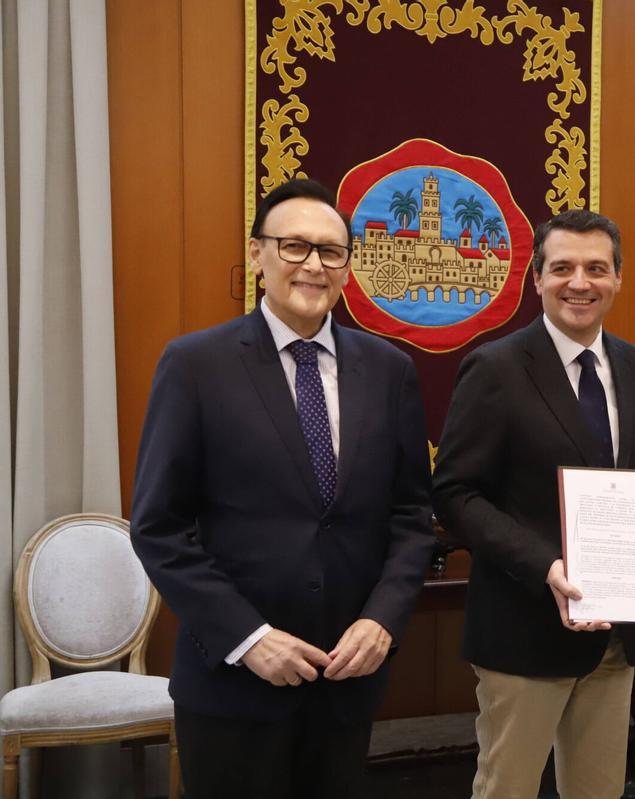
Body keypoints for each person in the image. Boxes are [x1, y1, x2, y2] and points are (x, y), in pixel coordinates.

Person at [130, 178, 435, 798]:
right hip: (233, 682)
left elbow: (411, 515)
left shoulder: (389, 371)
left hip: (348, 677)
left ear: (349, 267)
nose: (313, 266)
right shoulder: (195, 365)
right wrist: (249, 638)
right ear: (257, 254)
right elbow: (159, 527)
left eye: (331, 252)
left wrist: (383, 620)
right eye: (294, 247)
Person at [432, 209, 635, 799]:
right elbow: (454, 493)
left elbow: (627, 471)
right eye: (563, 267)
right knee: (508, 788)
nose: (580, 282)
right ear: (536, 277)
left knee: (598, 790)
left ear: (618, 278)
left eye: (597, 268)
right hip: (524, 625)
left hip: (615, 629)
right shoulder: (494, 367)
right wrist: (545, 565)